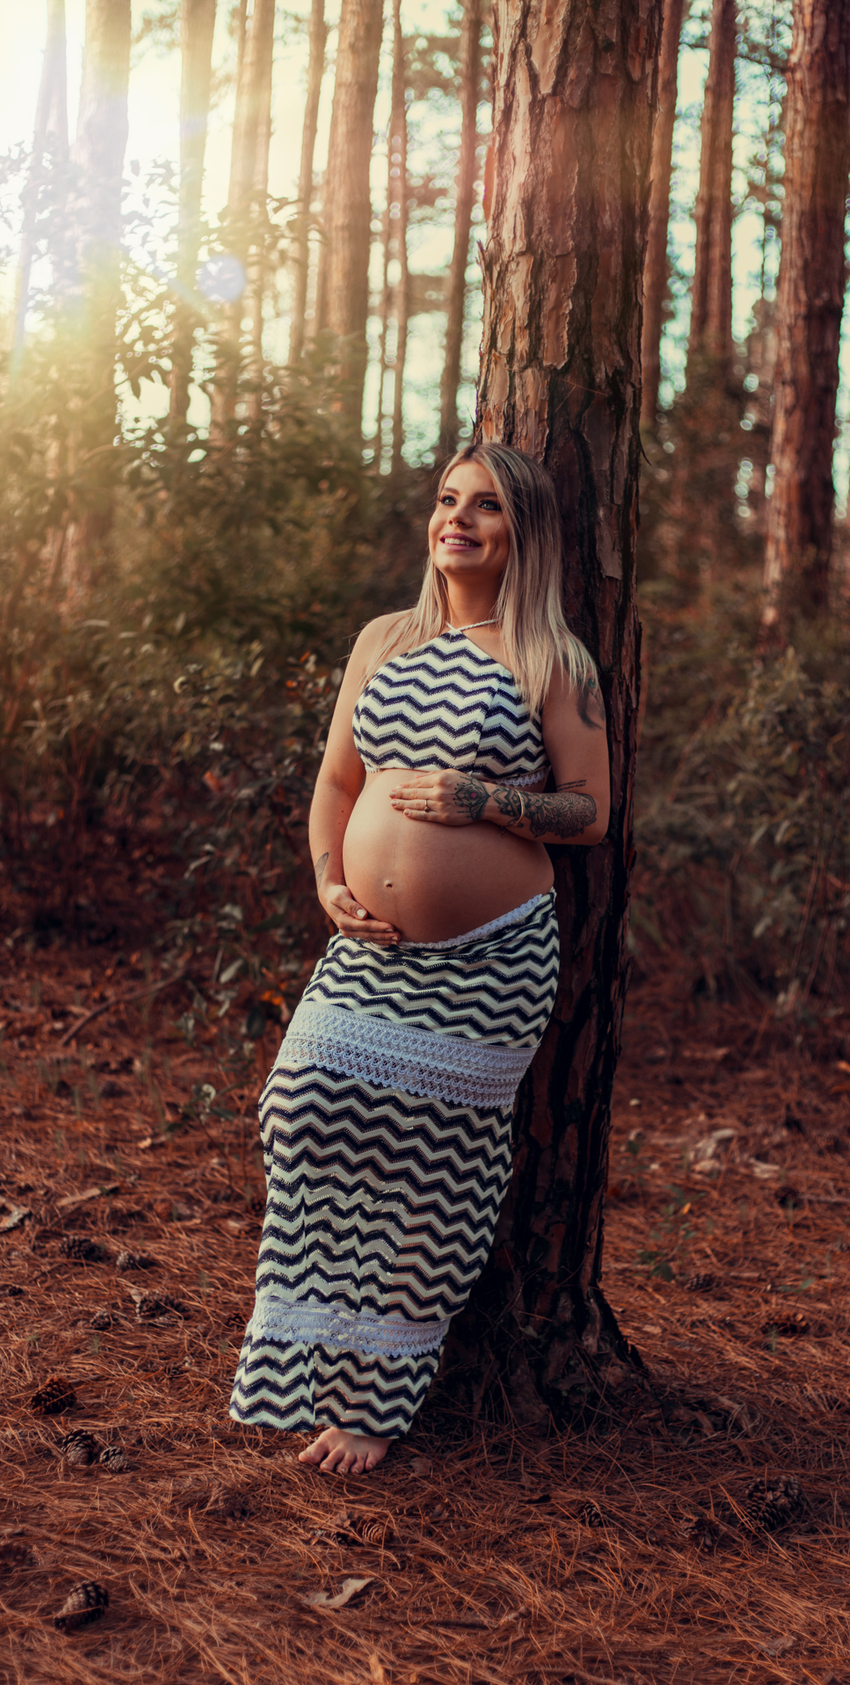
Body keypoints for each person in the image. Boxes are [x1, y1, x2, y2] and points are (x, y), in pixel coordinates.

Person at [228, 443, 610, 1475]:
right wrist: (326, 881)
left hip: (492, 963)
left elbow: (589, 810)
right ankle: (311, 1360)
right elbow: (336, 782)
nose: (460, 520)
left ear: (522, 532)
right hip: (367, 951)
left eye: (486, 506)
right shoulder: (384, 640)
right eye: (448, 500)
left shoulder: (552, 658)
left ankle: (378, 1396)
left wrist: (483, 801)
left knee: (434, 1173)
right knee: (299, 1109)